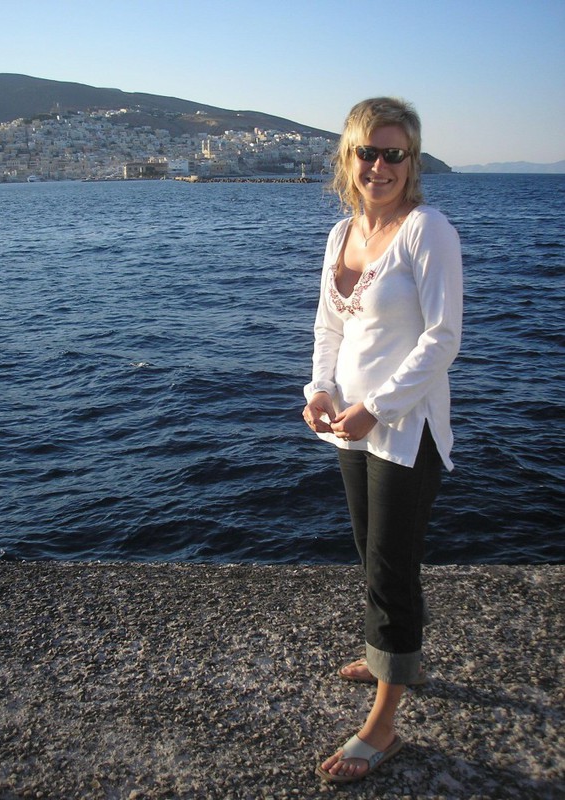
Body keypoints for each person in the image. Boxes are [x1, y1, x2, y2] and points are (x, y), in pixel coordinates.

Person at [302, 97, 463, 784]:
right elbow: (329, 328)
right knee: (372, 554)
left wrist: (378, 406)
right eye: (367, 151)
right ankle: (392, 658)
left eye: (393, 153)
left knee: (392, 566)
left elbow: (443, 338)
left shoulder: (428, 230)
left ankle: (384, 726)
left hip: (405, 427)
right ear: (349, 158)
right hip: (351, 424)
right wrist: (320, 391)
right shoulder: (341, 234)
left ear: (411, 161)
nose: (379, 165)